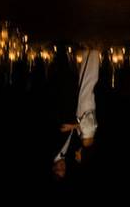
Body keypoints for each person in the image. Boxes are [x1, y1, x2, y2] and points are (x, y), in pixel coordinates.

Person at [52, 47, 100, 179]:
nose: (63, 167)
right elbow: (88, 127)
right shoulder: (77, 150)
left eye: (60, 169)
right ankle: (94, 52)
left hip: (72, 110)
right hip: (83, 112)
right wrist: (73, 126)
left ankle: (87, 53)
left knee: (84, 82)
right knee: (88, 82)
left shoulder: (54, 151)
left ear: (54, 168)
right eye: (64, 170)